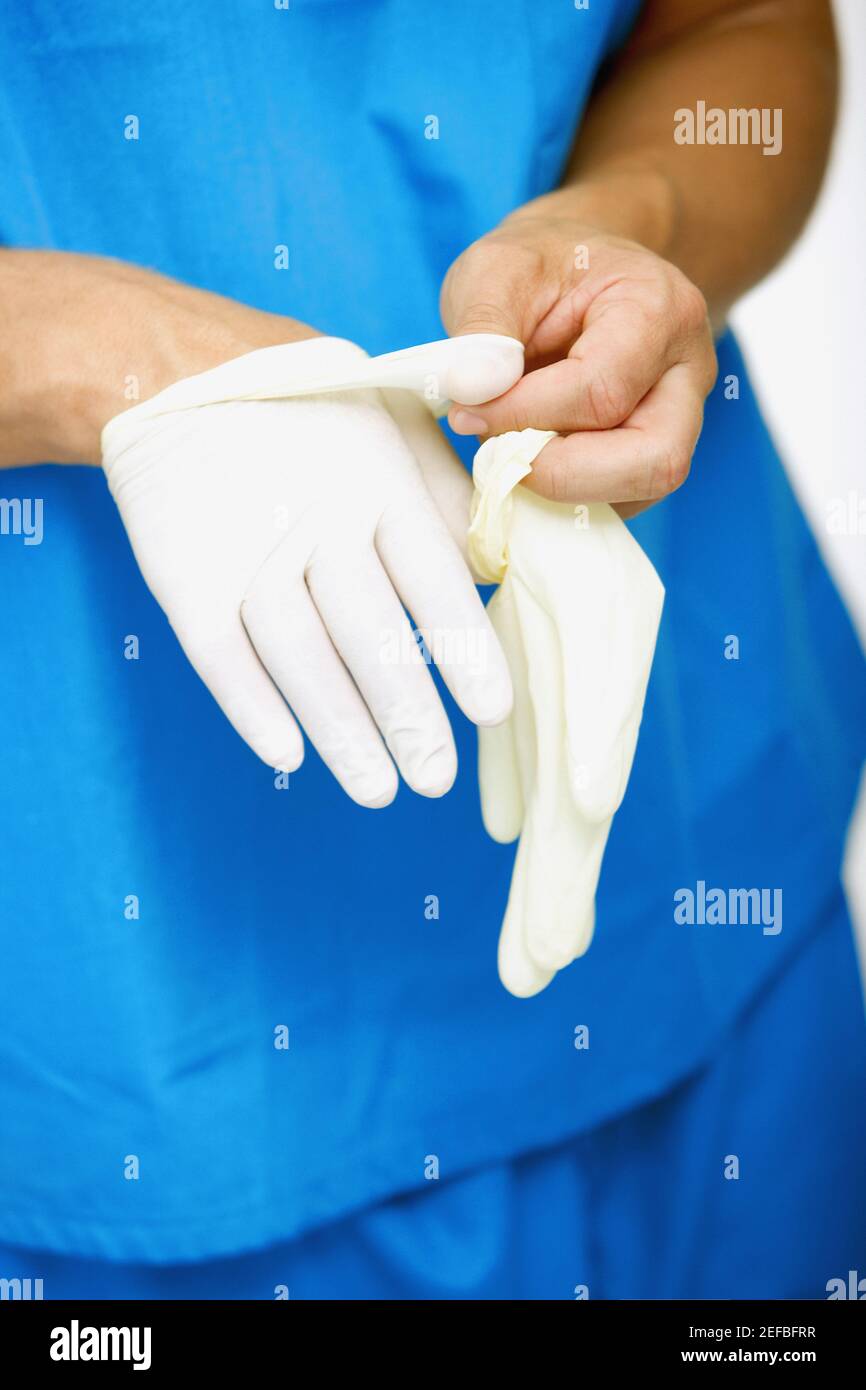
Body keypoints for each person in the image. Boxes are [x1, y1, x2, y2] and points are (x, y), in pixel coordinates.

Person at [1, 0, 864, 1299]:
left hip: (687, 885)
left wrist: (624, 224)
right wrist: (93, 349)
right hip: (131, 1043)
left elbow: (737, 28)